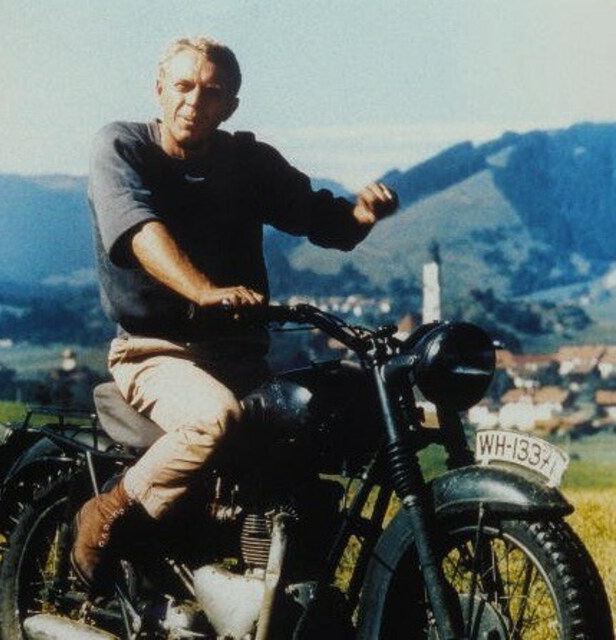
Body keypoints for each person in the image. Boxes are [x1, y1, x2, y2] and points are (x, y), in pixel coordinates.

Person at [71, 36, 399, 593]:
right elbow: (139, 231)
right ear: (159, 88)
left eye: (212, 92)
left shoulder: (248, 161)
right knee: (212, 418)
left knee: (312, 436)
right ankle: (108, 512)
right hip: (155, 352)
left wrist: (362, 215)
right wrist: (202, 290)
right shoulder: (121, 147)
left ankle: (281, 583)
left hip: (241, 356)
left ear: (230, 106)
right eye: (183, 85)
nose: (194, 101)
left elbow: (321, 218)